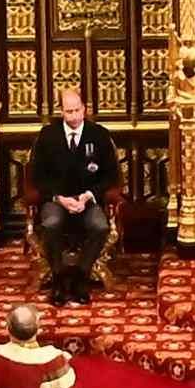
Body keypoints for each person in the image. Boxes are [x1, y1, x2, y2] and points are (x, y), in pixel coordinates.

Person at [29, 82, 130, 301]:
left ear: (84, 109)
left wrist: (87, 196)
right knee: (51, 224)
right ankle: (58, 278)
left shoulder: (99, 135)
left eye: (77, 110)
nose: (74, 116)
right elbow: (38, 177)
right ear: (61, 111)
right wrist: (59, 198)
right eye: (69, 111)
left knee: (100, 226)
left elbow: (111, 176)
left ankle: (81, 276)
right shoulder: (48, 135)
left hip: (88, 199)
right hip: (57, 200)